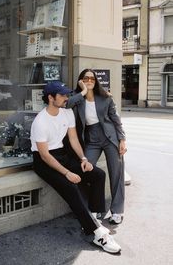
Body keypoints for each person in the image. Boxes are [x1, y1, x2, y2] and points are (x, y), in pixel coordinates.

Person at [30, 81, 121, 254]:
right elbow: (44, 155)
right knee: (71, 186)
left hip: (62, 154)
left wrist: (84, 159)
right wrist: (67, 173)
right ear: (51, 98)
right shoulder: (40, 122)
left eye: (67, 94)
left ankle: (93, 217)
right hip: (44, 161)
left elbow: (73, 140)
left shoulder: (66, 113)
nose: (67, 98)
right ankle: (96, 234)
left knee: (98, 174)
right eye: (62, 95)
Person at [66, 69, 127, 225]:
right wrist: (84, 91)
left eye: (92, 78)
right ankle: (95, 207)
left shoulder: (105, 97)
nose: (89, 80)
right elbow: (67, 105)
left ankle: (117, 210)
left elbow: (116, 119)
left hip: (110, 136)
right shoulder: (77, 98)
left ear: (96, 81)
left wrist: (122, 139)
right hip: (91, 139)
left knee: (116, 173)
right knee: (87, 169)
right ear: (81, 80)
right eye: (86, 78)